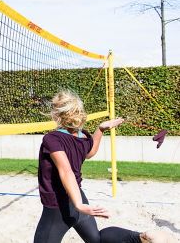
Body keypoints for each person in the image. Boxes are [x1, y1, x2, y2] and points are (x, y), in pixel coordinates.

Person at [34, 90, 170, 243]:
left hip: (59, 206)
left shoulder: (51, 139)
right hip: (78, 197)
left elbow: (66, 172)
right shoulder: (83, 136)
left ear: (56, 115)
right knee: (96, 239)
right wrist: (100, 129)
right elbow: (89, 153)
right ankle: (139, 237)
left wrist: (79, 205)